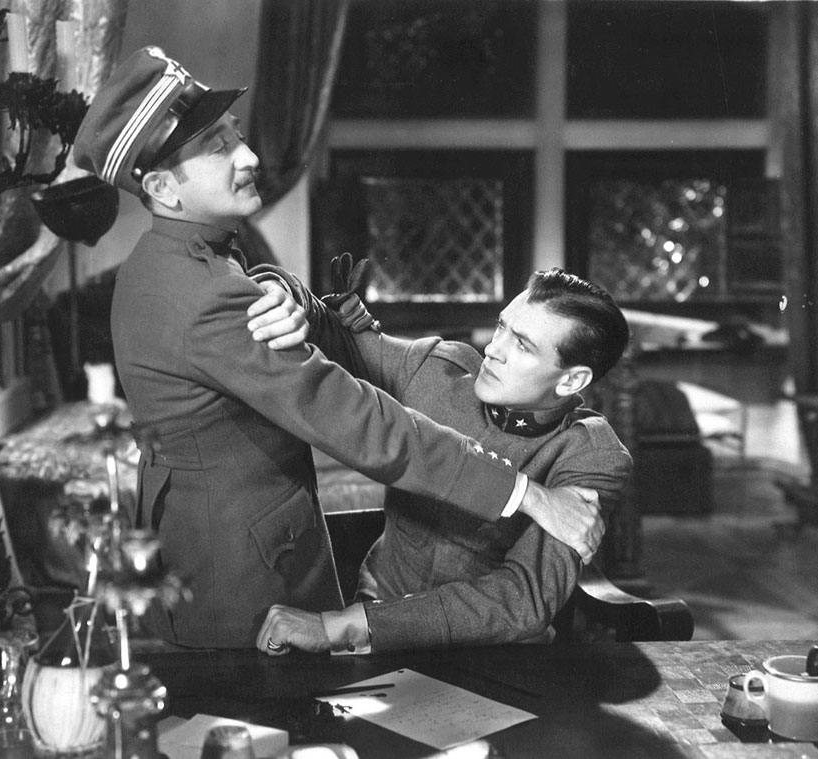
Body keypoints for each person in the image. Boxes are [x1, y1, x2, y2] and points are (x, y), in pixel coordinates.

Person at [72, 46, 604, 650]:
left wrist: (282, 289)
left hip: (199, 546)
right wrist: (530, 495)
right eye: (218, 149)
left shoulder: (160, 264)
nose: (249, 157)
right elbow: (361, 421)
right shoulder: (206, 294)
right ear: (163, 188)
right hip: (240, 576)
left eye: (236, 134)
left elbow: (243, 305)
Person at [249, 263, 632, 653]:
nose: (493, 350)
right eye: (501, 327)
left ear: (571, 380)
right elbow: (329, 331)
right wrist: (281, 293)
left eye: (522, 345)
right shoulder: (438, 371)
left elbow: (521, 599)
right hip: (370, 628)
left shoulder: (590, 453)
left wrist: (346, 626)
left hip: (490, 655)